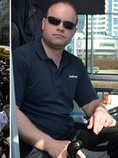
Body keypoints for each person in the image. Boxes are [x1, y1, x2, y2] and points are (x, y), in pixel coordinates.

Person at [13, 1, 118, 158]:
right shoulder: (21, 58)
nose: (61, 27)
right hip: (34, 145)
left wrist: (100, 112)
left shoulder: (76, 64)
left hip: (70, 136)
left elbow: (91, 103)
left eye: (68, 25)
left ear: (74, 31)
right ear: (43, 23)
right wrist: (50, 144)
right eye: (54, 21)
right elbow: (13, 112)